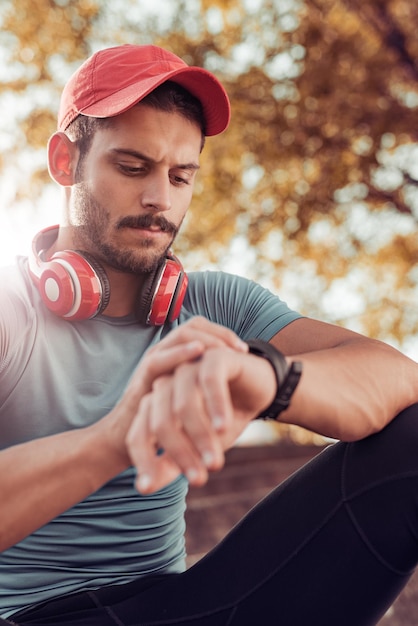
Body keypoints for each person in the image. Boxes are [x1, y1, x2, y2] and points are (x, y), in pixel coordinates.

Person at [1, 43, 418, 626]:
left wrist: (268, 375)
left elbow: (399, 377)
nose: (159, 201)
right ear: (66, 161)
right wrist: (119, 439)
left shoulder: (215, 304)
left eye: (180, 176)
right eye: (132, 167)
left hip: (185, 608)